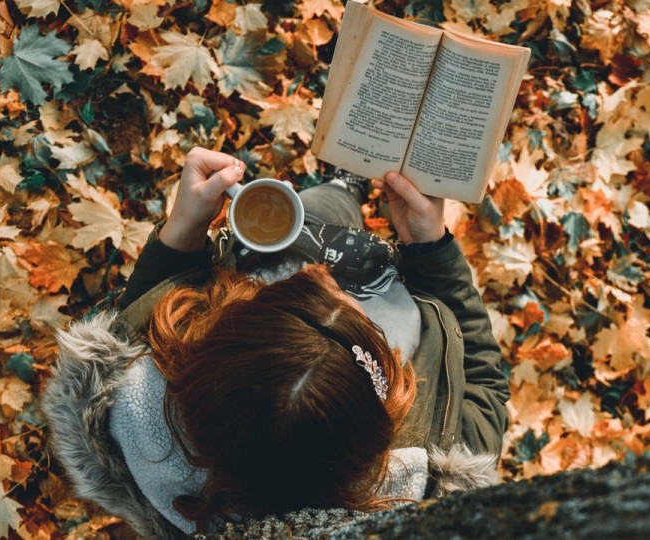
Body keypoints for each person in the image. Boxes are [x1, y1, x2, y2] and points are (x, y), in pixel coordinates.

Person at [42, 148, 511, 539]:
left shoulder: (133, 403)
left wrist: (181, 230)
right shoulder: (441, 464)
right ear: (377, 425)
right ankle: (341, 193)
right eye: (356, 312)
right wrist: (433, 253)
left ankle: (342, 191)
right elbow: (486, 381)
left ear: (202, 361)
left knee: (320, 211)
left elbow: (144, 309)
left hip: (249, 268)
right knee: (325, 214)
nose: (325, 276)